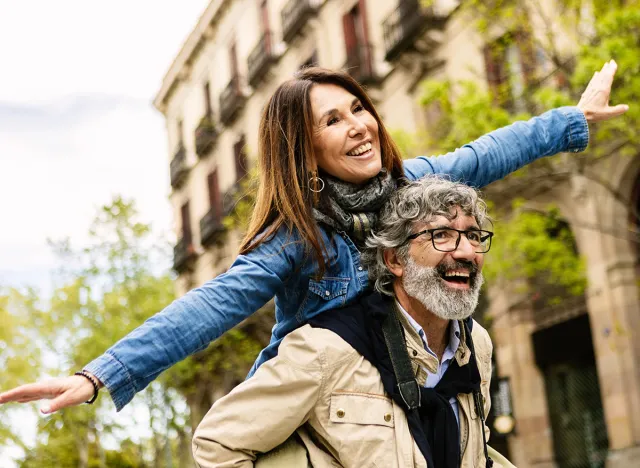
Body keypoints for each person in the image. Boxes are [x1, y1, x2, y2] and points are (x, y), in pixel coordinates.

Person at [0, 62, 627, 414]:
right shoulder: (297, 241)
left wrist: (575, 119)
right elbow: (207, 306)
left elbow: (491, 150)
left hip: (410, 399)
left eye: (359, 108)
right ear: (305, 150)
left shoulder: (420, 181)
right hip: (321, 405)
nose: (360, 126)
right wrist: (100, 375)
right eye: (334, 119)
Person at [191, 176, 505, 468]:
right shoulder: (325, 349)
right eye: (441, 235)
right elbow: (216, 442)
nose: (466, 252)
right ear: (394, 259)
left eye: (474, 236)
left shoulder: (478, 343)